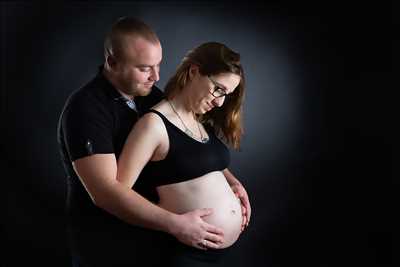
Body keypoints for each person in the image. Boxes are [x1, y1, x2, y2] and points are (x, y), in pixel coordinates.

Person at [57, 17, 251, 267]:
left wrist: (231, 181)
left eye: (158, 65)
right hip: (104, 242)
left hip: (147, 237)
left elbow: (188, 148)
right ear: (112, 63)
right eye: (144, 68)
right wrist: (175, 223)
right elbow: (106, 192)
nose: (156, 75)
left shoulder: (149, 95)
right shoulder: (86, 109)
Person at [116, 41, 250, 266]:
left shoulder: (197, 119)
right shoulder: (153, 125)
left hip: (222, 254)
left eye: (227, 94)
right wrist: (174, 223)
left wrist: (234, 183)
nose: (220, 102)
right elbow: (118, 193)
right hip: (184, 254)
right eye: (219, 89)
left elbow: (200, 163)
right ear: (195, 71)